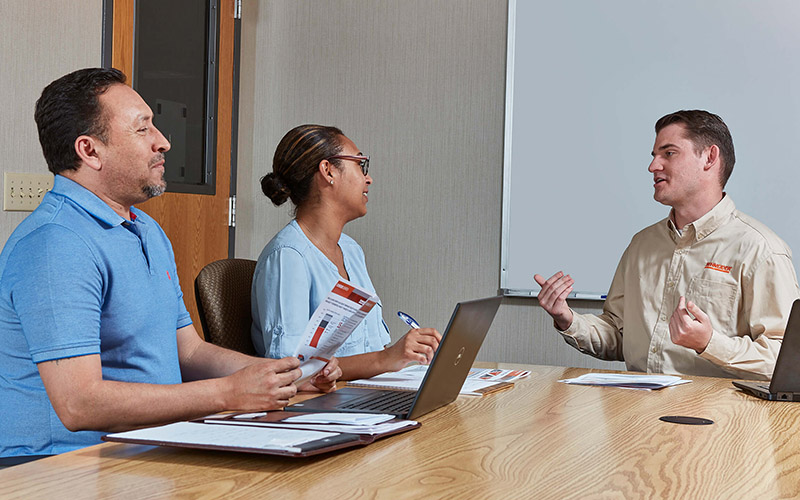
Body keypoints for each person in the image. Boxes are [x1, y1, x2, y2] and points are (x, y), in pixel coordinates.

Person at [0, 68, 341, 464]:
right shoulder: (55, 243)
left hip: (144, 450)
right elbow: (80, 405)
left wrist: (285, 376)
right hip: (58, 466)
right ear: (89, 151)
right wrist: (227, 394)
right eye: (143, 129)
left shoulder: (145, 229)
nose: (163, 142)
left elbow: (189, 351)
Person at [534, 110, 800, 380]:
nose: (653, 166)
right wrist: (568, 320)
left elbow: (784, 359)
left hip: (720, 419)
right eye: (654, 156)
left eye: (669, 153)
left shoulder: (761, 249)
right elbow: (618, 334)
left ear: (709, 158)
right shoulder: (641, 244)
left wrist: (709, 343)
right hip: (636, 412)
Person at [251, 124, 442, 380]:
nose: (368, 178)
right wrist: (387, 358)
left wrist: (400, 355)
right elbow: (289, 370)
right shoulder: (288, 257)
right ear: (328, 171)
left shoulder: (351, 250)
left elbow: (370, 350)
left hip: (365, 394)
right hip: (319, 409)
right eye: (360, 164)